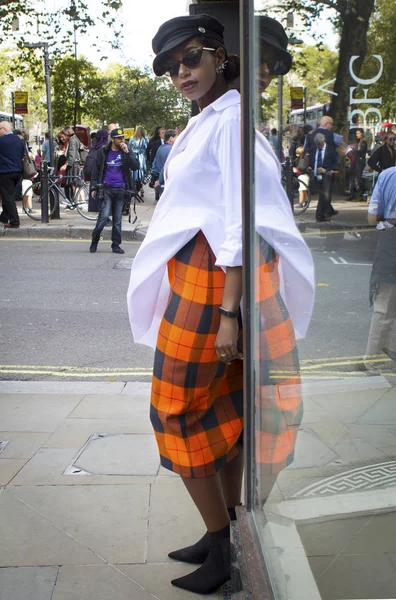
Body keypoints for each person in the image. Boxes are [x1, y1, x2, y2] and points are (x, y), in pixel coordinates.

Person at [127, 14, 314, 595]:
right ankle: (221, 536)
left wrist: (231, 311)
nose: (181, 72)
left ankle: (222, 546)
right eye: (171, 65)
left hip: (215, 288)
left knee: (176, 412)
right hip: (201, 280)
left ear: (217, 56)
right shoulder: (216, 116)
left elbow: (238, 219)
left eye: (191, 58)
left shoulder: (230, 119)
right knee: (222, 409)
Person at [364, 166, 396, 371]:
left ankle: (374, 359)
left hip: (391, 239)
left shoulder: (387, 175)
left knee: (384, 305)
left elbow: (372, 218)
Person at [89, 127, 138, 254]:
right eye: (119, 138)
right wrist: (94, 187)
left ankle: (115, 244)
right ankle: (95, 240)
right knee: (104, 217)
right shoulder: (103, 151)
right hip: (106, 189)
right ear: (112, 139)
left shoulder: (125, 151)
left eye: (123, 138)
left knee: (117, 220)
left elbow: (135, 166)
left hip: (121, 189)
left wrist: (128, 152)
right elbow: (96, 171)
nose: (122, 140)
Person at [0, 121, 24, 228]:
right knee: (9, 194)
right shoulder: (19, 139)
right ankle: (4, 216)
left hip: (5, 172)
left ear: (4, 129)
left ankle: (14, 221)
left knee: (7, 197)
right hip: (18, 172)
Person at [308, 132, 338, 222]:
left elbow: (335, 165)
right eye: (317, 145)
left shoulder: (330, 150)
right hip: (316, 175)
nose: (318, 146)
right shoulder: (313, 149)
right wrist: (311, 167)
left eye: (320, 145)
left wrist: (326, 170)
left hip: (326, 175)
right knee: (323, 195)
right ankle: (329, 211)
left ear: (324, 141)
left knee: (325, 194)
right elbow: (312, 161)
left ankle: (319, 215)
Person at [84, 129, 109, 213]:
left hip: (94, 176)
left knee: (97, 196)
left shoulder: (93, 147)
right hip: (103, 176)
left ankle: (100, 214)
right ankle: (104, 216)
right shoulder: (105, 148)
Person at [151, 129, 176, 200]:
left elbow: (155, 164)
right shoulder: (172, 150)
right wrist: (160, 180)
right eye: (176, 137)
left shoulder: (160, 148)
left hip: (161, 183)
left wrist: (155, 177)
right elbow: (166, 166)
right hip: (167, 182)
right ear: (171, 138)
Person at [59, 127, 81, 200]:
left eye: (64, 135)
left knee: (74, 184)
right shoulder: (75, 139)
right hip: (75, 164)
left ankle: (76, 201)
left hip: (73, 165)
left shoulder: (73, 141)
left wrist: (66, 164)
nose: (63, 137)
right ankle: (77, 201)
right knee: (76, 184)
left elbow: (72, 154)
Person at [129, 127, 149, 197]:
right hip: (141, 157)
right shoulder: (145, 139)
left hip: (133, 157)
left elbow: (129, 147)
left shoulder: (132, 138)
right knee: (141, 173)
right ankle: (141, 187)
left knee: (133, 173)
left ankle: (134, 188)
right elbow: (146, 148)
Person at [349, 128, 368, 201]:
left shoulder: (363, 142)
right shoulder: (357, 142)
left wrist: (353, 152)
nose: (357, 135)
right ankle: (352, 194)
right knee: (352, 176)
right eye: (356, 134)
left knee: (359, 178)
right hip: (355, 161)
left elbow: (361, 151)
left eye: (358, 133)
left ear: (362, 134)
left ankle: (363, 190)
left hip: (360, 161)